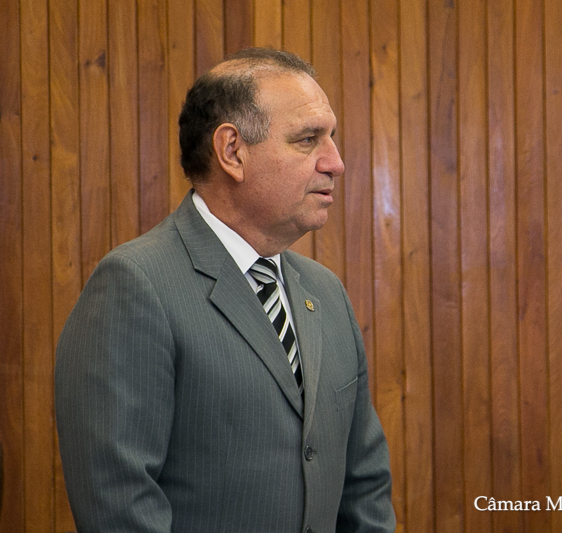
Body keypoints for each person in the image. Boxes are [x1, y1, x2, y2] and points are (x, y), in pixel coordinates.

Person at [55, 48, 395, 533]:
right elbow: (119, 505)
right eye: (308, 139)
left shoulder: (325, 292)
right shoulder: (136, 286)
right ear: (232, 151)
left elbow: (365, 486)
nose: (335, 163)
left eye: (332, 138)